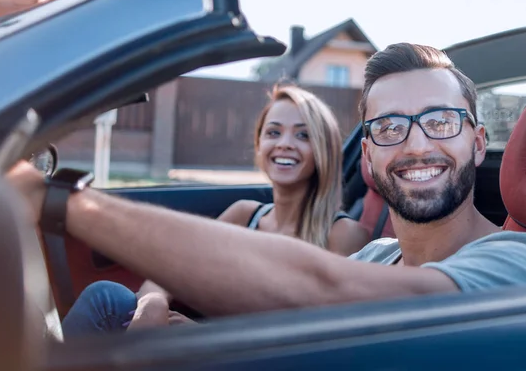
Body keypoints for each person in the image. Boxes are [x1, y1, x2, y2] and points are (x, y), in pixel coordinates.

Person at [8, 43, 526, 334]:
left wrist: (56, 199)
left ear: (478, 143)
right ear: (369, 154)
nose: (414, 145)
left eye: (440, 121)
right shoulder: (376, 254)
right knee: (112, 306)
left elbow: (332, 289)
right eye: (387, 127)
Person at [59, 83, 371, 336]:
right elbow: (172, 265)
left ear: (324, 149)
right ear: (259, 144)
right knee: (107, 297)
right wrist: (152, 302)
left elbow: (319, 339)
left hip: (254, 359)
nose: (285, 143)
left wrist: (199, 334)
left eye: (303, 135)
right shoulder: (244, 214)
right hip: (206, 345)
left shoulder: (343, 235)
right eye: (274, 132)